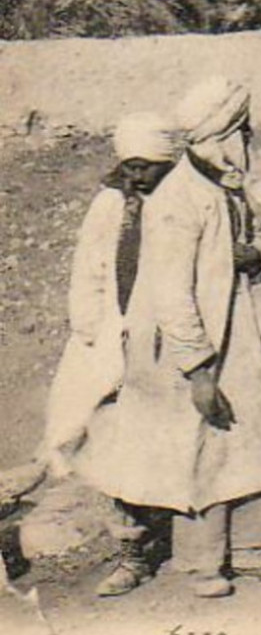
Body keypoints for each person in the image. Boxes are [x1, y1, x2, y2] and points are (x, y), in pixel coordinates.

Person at [76, 78, 261, 598]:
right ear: (226, 133)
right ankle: (202, 562)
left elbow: (240, 260)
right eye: (243, 130)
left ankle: (256, 551)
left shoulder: (225, 191)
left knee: (253, 430)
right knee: (199, 440)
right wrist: (199, 368)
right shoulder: (177, 200)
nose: (249, 139)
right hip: (187, 348)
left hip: (238, 336)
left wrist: (253, 262)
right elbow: (171, 294)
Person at [35, 112, 177, 481]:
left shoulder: (176, 199)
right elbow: (89, 265)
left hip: (160, 317)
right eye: (128, 167)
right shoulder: (111, 204)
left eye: (143, 167)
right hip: (111, 318)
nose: (134, 177)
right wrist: (88, 323)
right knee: (87, 395)